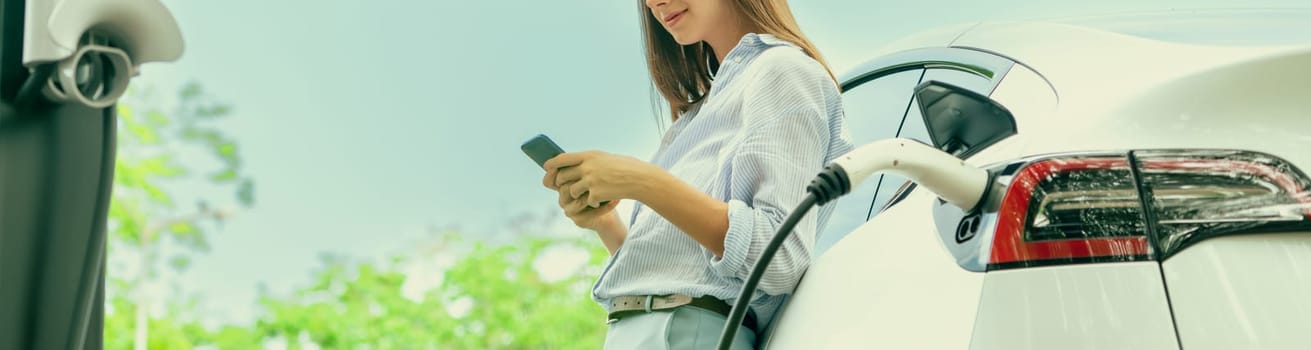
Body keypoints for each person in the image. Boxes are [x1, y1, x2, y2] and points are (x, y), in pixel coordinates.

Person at [541, 0, 851, 348]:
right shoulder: (696, 116)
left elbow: (778, 257)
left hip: (691, 332)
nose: (653, 2)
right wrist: (605, 223)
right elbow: (677, 275)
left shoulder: (783, 70)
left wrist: (642, 181)